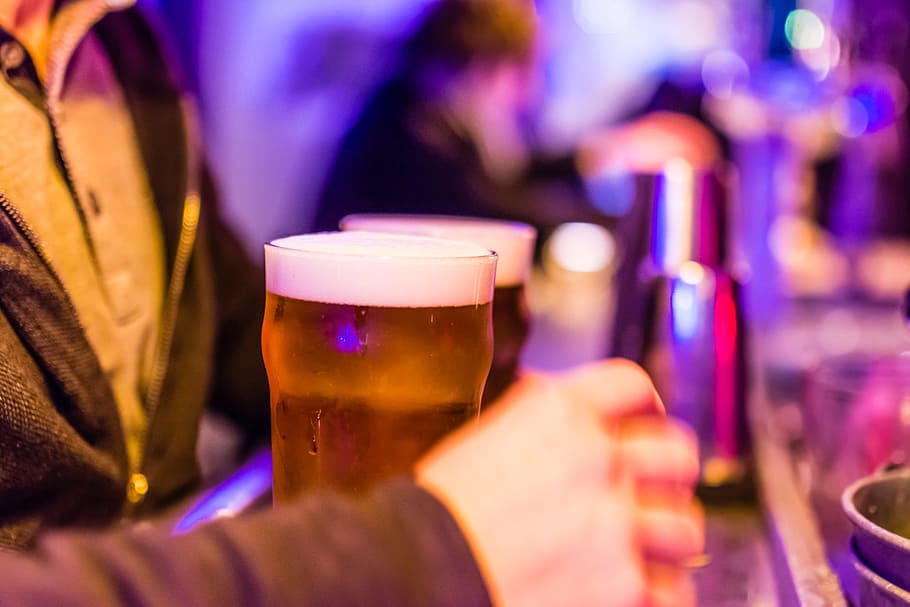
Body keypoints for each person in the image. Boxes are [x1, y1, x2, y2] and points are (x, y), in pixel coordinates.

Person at [0, 0, 703, 605]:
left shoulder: (122, 46)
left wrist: (520, 462)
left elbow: (236, 325)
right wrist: (422, 552)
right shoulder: (407, 125)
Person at [310, 0, 608, 241]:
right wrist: (600, 223)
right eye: (523, 69)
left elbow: (508, 176)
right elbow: (483, 206)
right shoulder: (410, 124)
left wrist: (589, 157)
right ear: (482, 63)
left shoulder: (433, 107)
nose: (528, 91)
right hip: (350, 296)